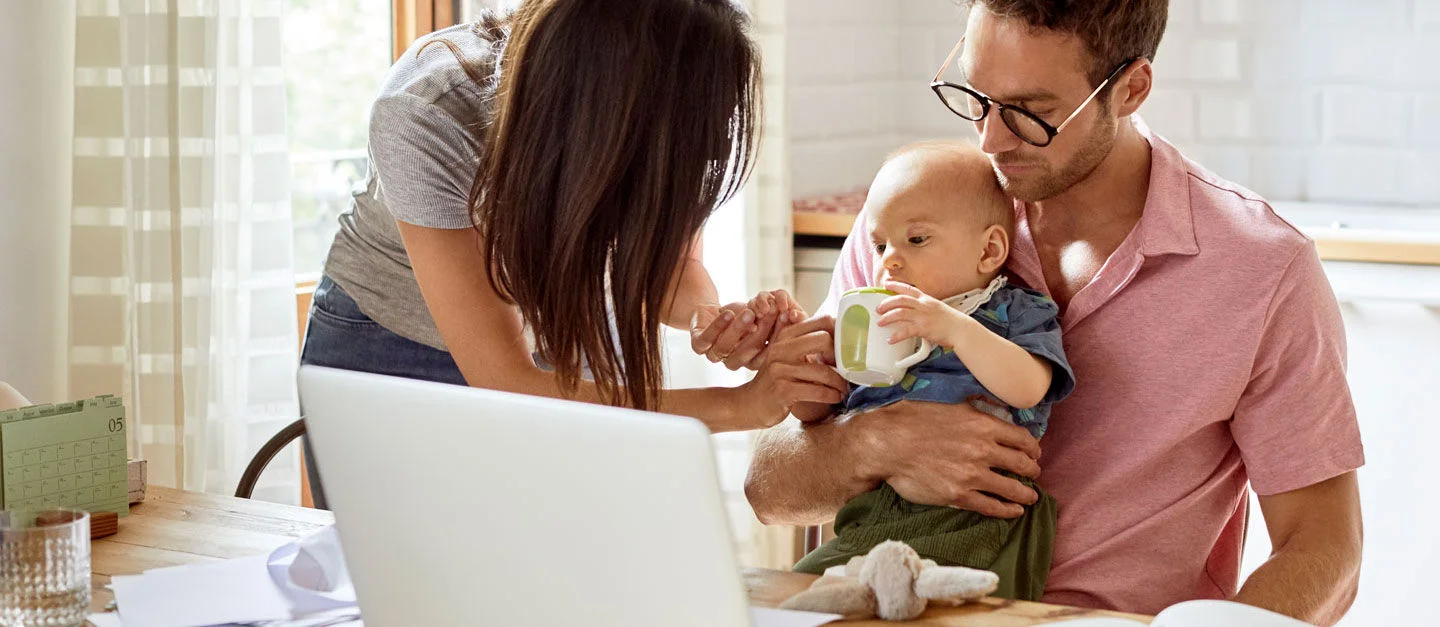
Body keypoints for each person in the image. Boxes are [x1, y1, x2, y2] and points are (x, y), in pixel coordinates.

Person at [746, 1, 1364, 623]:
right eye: (975, 96)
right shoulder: (913, 224)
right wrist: (876, 443)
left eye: (1030, 113)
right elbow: (769, 491)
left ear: (1131, 89)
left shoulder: (1260, 267)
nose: (989, 139)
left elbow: (1326, 549)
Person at [301, 0, 847, 507]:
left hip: (570, 327)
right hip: (396, 349)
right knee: (392, 586)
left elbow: (676, 267)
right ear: (599, 107)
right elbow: (509, 384)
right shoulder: (429, 112)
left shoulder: (676, 105)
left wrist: (718, 321)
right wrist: (740, 406)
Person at [787, 141, 1075, 602]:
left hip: (976, 511)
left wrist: (955, 330)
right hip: (877, 508)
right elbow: (822, 410)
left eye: (916, 240)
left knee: (944, 597)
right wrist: (801, 371)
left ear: (990, 251)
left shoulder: (1013, 312)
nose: (889, 261)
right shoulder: (878, 317)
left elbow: (1030, 387)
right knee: (809, 587)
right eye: (880, 245)